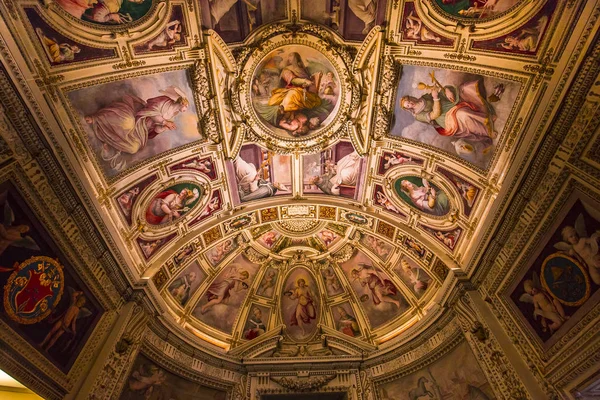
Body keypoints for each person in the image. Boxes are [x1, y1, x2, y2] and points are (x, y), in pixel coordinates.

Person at [85, 86, 189, 170]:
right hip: (137, 116)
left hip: (142, 130)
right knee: (127, 121)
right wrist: (164, 122)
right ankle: (96, 118)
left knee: (133, 148)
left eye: (186, 106)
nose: (185, 108)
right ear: (180, 102)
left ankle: (108, 139)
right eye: (185, 105)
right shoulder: (164, 102)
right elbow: (150, 111)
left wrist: (163, 127)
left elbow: (154, 132)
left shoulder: (173, 116)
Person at [400, 72, 497, 144]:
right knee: (463, 115)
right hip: (444, 119)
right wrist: (435, 98)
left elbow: (437, 90)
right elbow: (435, 114)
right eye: (408, 105)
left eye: (409, 101)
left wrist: (446, 91)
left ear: (411, 98)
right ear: (408, 108)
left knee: (466, 91)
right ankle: (488, 131)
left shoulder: (423, 98)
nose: (411, 104)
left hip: (448, 106)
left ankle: (487, 118)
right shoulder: (417, 115)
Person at [267, 52, 323, 122]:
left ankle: (287, 112)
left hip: (304, 93)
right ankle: (284, 110)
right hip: (290, 90)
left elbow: (310, 80)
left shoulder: (303, 70)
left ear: (296, 58)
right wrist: (304, 81)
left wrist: (316, 76)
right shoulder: (287, 69)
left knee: (295, 94)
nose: (288, 58)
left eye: (290, 55)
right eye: (288, 56)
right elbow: (293, 80)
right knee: (291, 93)